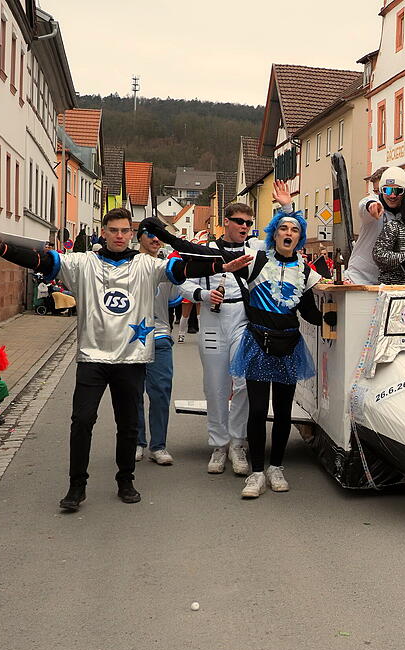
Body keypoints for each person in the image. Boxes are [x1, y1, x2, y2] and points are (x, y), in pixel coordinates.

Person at [0, 208, 252, 511]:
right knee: (82, 421)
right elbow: (44, 260)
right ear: (103, 232)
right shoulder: (83, 263)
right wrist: (0, 248)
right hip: (93, 358)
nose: (119, 235)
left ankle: (125, 480)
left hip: (132, 358)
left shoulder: (147, 264)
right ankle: (77, 487)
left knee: (128, 424)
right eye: (113, 230)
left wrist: (220, 265)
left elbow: (181, 271)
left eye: (125, 230)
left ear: (132, 234)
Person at [142, 207, 330, 498]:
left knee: (280, 413)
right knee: (246, 404)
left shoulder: (306, 271)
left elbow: (309, 311)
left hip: (288, 346)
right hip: (252, 339)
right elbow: (194, 251)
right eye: (283, 228)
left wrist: (332, 319)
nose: (288, 234)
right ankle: (246, 465)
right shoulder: (256, 260)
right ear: (274, 233)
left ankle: (272, 466)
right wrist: (166, 234)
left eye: (294, 230)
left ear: (301, 237)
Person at [177, 188, 293, 476]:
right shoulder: (205, 249)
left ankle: (237, 443)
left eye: (248, 223)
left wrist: (286, 208)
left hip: (243, 319)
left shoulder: (254, 250)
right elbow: (182, 281)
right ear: (225, 221)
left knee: (243, 384)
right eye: (239, 221)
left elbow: (282, 240)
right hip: (214, 322)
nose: (244, 227)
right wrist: (203, 294)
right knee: (216, 386)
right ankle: (218, 445)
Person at [134, 229, 183, 466]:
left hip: (161, 336)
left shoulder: (167, 267)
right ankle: (136, 441)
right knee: (133, 392)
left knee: (161, 391)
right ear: (139, 238)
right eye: (150, 235)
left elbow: (178, 294)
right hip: (131, 338)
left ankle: (158, 446)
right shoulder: (128, 265)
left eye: (159, 236)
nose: (155, 239)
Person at [345, 167, 405, 285]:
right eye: (387, 190)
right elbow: (364, 205)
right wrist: (371, 205)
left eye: (398, 191)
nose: (392, 196)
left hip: (390, 282)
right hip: (360, 278)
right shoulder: (374, 203)